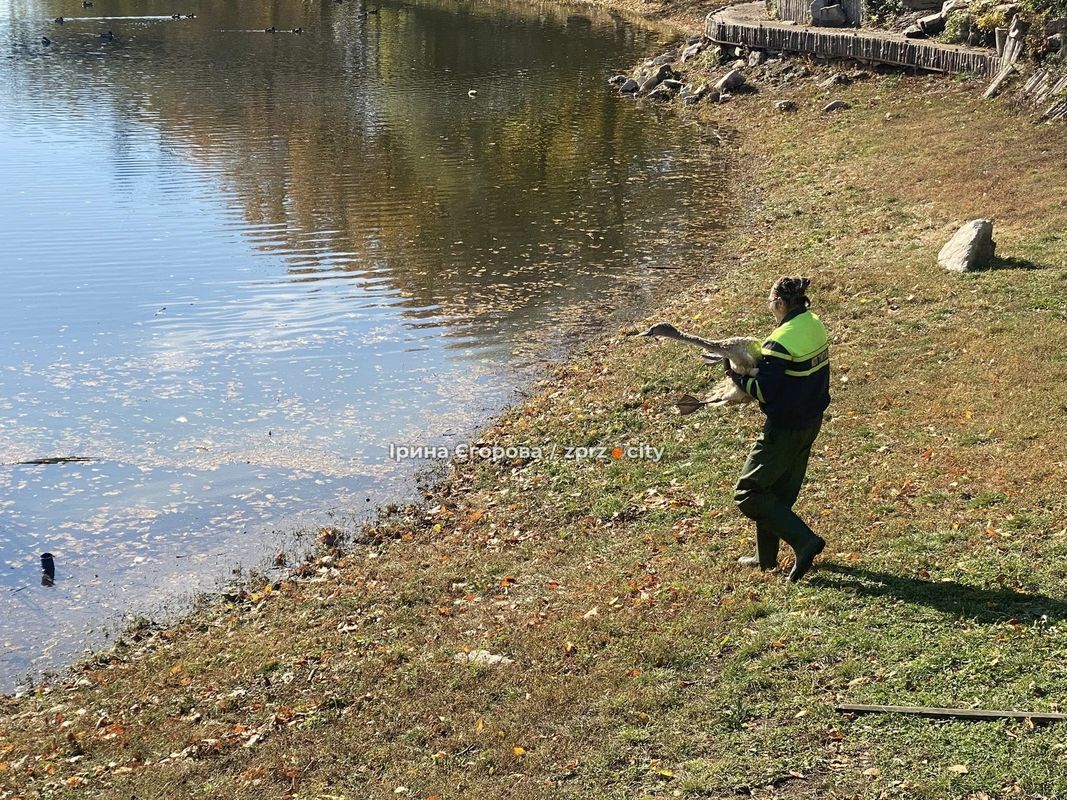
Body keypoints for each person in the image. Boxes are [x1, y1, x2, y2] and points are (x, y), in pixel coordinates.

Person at [727, 276, 830, 582]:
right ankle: (766, 556)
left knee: (749, 491)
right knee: (776, 492)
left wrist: (734, 375)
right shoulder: (813, 323)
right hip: (811, 420)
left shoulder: (780, 340)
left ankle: (805, 541)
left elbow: (764, 390)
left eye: (771, 304)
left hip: (785, 427)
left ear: (781, 303)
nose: (771, 309)